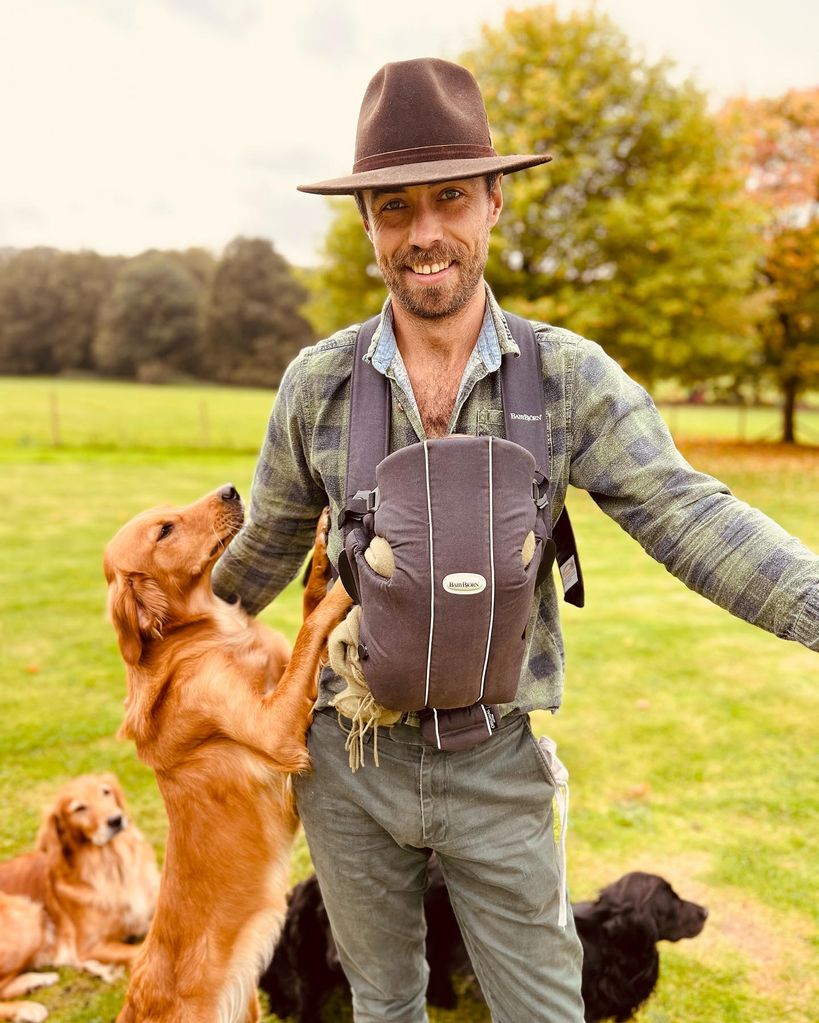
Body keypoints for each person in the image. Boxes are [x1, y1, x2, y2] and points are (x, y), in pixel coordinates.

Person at [212, 58, 818, 1023]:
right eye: (395, 207)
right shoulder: (316, 385)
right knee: (383, 1000)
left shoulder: (567, 378)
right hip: (347, 767)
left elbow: (690, 515)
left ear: (493, 201)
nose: (425, 233)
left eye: (449, 197)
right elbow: (253, 567)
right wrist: (159, 604)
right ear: (367, 221)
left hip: (494, 764)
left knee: (543, 1006)